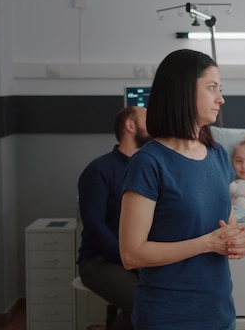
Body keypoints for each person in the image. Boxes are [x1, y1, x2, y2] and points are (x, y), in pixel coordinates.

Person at [118, 49, 245, 330]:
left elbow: (227, 225)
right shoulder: (149, 163)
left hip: (219, 314)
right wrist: (208, 243)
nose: (221, 98)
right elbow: (131, 254)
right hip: (169, 317)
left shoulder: (215, 155)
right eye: (212, 88)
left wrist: (238, 240)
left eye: (221, 89)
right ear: (183, 91)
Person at [76, 106, 150, 330]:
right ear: (130, 125)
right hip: (99, 262)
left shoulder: (145, 167)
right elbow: (95, 227)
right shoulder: (99, 170)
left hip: (136, 259)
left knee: (165, 299)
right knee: (143, 304)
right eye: (148, 120)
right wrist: (131, 260)